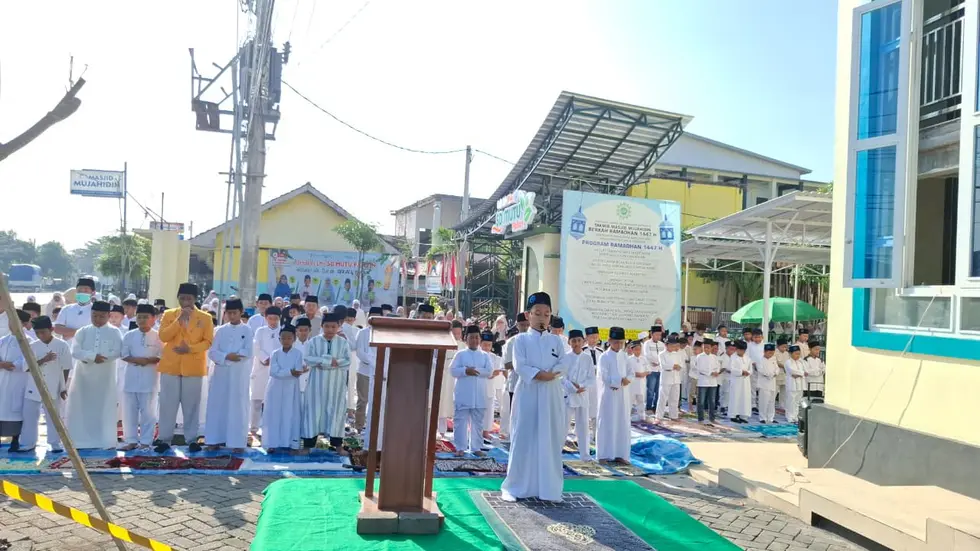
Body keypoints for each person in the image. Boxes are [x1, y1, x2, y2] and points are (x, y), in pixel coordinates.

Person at [501, 292, 566, 502]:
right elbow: (520, 365)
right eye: (537, 313)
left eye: (546, 314)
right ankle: (518, 486)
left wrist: (552, 375)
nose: (542, 318)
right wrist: (540, 374)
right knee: (525, 435)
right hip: (528, 392)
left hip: (551, 394)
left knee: (550, 437)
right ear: (529, 315)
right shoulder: (520, 340)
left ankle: (549, 488)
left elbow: (564, 364)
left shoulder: (556, 341)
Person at [155, 282, 213, 453]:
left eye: (189, 298)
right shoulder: (169, 314)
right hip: (171, 366)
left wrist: (190, 349)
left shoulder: (205, 318)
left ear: (195, 299)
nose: (185, 301)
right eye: (182, 298)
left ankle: (191, 439)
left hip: (193, 366)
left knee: (191, 405)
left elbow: (208, 341)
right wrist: (179, 320)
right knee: (167, 404)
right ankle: (164, 439)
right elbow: (164, 336)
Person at [67, 301, 123, 449]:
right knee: (81, 406)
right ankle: (80, 441)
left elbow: (118, 351)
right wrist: (92, 356)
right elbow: (75, 351)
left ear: (109, 316)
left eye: (102, 316)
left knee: (104, 406)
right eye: (95, 316)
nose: (98, 319)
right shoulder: (83, 331)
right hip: (83, 377)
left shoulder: (114, 332)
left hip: (105, 376)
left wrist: (102, 358)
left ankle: (105, 440)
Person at [204, 299, 253, 452]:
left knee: (238, 406)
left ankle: (237, 442)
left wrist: (231, 358)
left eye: (235, 313)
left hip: (239, 375)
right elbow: (212, 352)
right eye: (229, 313)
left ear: (240, 312)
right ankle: (214, 440)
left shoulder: (247, 330)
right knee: (217, 406)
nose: (232, 316)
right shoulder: (220, 330)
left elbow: (248, 352)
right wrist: (226, 357)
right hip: (221, 375)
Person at [302, 312, 352, 451]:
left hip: (336, 385)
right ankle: (308, 445)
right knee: (313, 412)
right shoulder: (314, 341)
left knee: (336, 412)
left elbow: (347, 361)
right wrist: (329, 361)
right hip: (316, 386)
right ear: (322, 326)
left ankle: (337, 445)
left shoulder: (343, 343)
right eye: (327, 326)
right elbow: (308, 359)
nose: (330, 330)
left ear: (338, 326)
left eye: (333, 327)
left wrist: (323, 362)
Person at [22, 316, 70, 452]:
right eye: (37, 333)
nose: (40, 335)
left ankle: (55, 443)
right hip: (34, 386)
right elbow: (26, 367)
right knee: (30, 416)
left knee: (54, 416)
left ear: (51, 329)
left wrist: (63, 387)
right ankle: (28, 443)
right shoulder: (32, 346)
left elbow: (66, 367)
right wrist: (44, 359)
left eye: (43, 332)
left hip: (54, 385)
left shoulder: (62, 345)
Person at [119, 304, 162, 450]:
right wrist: (138, 360)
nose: (142, 320)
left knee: (148, 412)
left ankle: (145, 441)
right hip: (131, 378)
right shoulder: (129, 335)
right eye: (140, 317)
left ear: (153, 319)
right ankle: (130, 440)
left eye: (146, 317)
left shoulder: (158, 336)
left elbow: (161, 356)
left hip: (150, 379)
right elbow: (124, 354)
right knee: (129, 411)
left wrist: (148, 361)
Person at [450, 326, 493, 456]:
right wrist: (465, 371)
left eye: (476, 337)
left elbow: (489, 371)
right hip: (463, 395)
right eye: (471, 337)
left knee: (478, 423)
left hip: (479, 396)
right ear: (466, 339)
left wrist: (475, 371)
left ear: (479, 339)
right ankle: (460, 448)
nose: (474, 340)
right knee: (460, 422)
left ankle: (476, 448)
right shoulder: (460, 354)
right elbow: (452, 370)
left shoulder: (485, 356)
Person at [263, 325, 306, 453]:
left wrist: (289, 372)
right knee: (274, 414)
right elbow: (273, 371)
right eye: (283, 338)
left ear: (294, 339)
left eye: (289, 338)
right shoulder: (275, 353)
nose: (286, 340)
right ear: (279, 339)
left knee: (290, 414)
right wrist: (289, 372)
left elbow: (297, 371)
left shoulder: (298, 353)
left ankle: (290, 443)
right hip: (275, 387)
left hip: (291, 388)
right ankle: (272, 443)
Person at [597, 327, 632, 464]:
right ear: (610, 341)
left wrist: (628, 379)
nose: (619, 345)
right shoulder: (604, 357)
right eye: (616, 342)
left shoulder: (624, 356)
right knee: (607, 422)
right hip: (609, 394)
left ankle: (620, 454)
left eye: (621, 343)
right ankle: (604, 455)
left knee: (622, 422)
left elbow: (631, 372)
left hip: (623, 394)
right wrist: (619, 381)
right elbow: (604, 376)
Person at [0, 310, 31, 451]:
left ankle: (15, 440)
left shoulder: (28, 341)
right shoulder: (3, 340)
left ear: (23, 324)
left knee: (17, 410)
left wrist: (12, 365)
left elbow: (27, 361)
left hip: (19, 382)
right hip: (2, 380)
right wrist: (2, 365)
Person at [561, 329, 594, 461]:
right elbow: (561, 377)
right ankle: (557, 452)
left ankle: (585, 455)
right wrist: (572, 387)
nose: (576, 343)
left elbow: (591, 377)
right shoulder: (565, 357)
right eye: (573, 341)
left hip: (582, 396)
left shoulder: (587, 358)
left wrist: (582, 386)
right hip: (568, 395)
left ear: (583, 341)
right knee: (564, 425)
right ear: (569, 342)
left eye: (579, 340)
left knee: (583, 426)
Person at [251, 306, 282, 437]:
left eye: (275, 319)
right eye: (270, 318)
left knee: (273, 401)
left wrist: (274, 360)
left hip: (276, 369)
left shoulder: (283, 331)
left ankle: (270, 428)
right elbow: (256, 346)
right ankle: (253, 428)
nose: (273, 321)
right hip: (261, 368)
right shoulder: (260, 331)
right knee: (257, 399)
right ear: (265, 318)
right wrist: (265, 358)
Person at [354, 307, 384, 431]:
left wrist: (380, 365)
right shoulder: (362, 333)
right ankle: (359, 427)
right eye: (372, 317)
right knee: (363, 401)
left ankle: (375, 428)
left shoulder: (385, 333)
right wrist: (375, 363)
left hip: (381, 372)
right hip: (365, 371)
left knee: (378, 401)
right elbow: (360, 352)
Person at [437, 320, 464, 436]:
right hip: (445, 377)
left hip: (458, 379)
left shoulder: (463, 346)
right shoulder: (442, 344)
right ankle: (441, 431)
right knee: (442, 404)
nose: (456, 336)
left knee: (458, 406)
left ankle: (458, 433)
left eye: (458, 333)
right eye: (454, 333)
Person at [54, 277, 97, 346]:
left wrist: (68, 333)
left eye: (86, 290)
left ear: (93, 293)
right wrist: (82, 334)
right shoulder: (66, 309)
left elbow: (96, 333)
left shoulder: (96, 311)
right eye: (79, 290)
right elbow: (57, 329)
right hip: (67, 349)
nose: (82, 292)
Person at [479, 331, 505, 440]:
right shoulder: (477, 355)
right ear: (480, 344)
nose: (486, 347)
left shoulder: (494, 357)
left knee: (489, 410)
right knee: (478, 411)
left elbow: (497, 370)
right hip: (479, 386)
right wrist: (488, 373)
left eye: (489, 345)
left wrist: (491, 374)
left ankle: (486, 431)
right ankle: (476, 431)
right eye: (484, 344)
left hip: (490, 386)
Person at [655, 336, 683, 422]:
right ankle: (658, 417)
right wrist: (673, 366)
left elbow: (681, 364)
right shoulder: (662, 354)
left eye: (675, 345)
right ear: (666, 345)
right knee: (663, 398)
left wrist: (678, 367)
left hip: (676, 378)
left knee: (674, 398)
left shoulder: (677, 354)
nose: (674, 347)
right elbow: (664, 366)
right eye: (672, 345)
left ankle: (674, 416)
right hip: (666, 379)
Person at [694, 340, 720, 424]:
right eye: (705, 347)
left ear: (711, 348)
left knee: (712, 401)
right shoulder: (699, 357)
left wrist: (716, 372)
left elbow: (718, 367)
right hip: (703, 381)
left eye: (708, 348)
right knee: (701, 401)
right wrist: (710, 373)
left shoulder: (714, 357)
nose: (706, 349)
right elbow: (700, 369)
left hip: (713, 382)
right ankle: (700, 419)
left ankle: (712, 418)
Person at [728, 341, 752, 423]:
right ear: (736, 349)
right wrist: (741, 372)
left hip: (745, 381)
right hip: (736, 381)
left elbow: (750, 369)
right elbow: (731, 369)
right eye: (740, 350)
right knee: (735, 397)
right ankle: (733, 415)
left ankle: (743, 415)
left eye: (743, 350)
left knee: (745, 398)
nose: (742, 352)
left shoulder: (748, 358)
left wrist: (748, 372)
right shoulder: (733, 357)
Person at [642, 325, 664, 413]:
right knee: (650, 390)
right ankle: (649, 407)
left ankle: (656, 407)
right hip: (651, 370)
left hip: (660, 370)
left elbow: (663, 355)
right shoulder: (647, 344)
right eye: (657, 335)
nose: (658, 337)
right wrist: (657, 361)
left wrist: (659, 362)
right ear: (652, 334)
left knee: (659, 390)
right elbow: (647, 355)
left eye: (660, 335)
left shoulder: (662, 344)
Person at [756, 343, 779, 424]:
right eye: (769, 353)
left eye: (772, 353)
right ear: (765, 352)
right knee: (763, 401)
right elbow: (761, 370)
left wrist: (775, 373)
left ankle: (771, 417)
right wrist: (770, 374)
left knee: (772, 401)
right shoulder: (760, 359)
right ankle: (762, 417)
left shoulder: (774, 359)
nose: (771, 354)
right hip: (764, 383)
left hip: (772, 382)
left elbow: (777, 369)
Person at [785, 345, 806, 423]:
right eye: (796, 354)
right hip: (792, 384)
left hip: (800, 384)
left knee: (797, 401)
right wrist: (801, 373)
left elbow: (805, 371)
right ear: (790, 354)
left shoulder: (801, 362)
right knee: (791, 401)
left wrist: (800, 373)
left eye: (799, 354)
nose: (798, 355)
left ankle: (795, 416)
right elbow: (792, 371)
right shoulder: (788, 362)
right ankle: (789, 417)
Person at [627, 339, 646, 417]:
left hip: (641, 383)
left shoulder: (643, 359)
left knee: (641, 400)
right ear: (632, 350)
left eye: (639, 349)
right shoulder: (629, 360)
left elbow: (648, 369)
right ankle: (627, 415)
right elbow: (627, 372)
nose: (638, 351)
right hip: (632, 383)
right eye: (636, 349)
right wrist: (637, 374)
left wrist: (643, 374)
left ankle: (641, 415)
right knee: (630, 400)